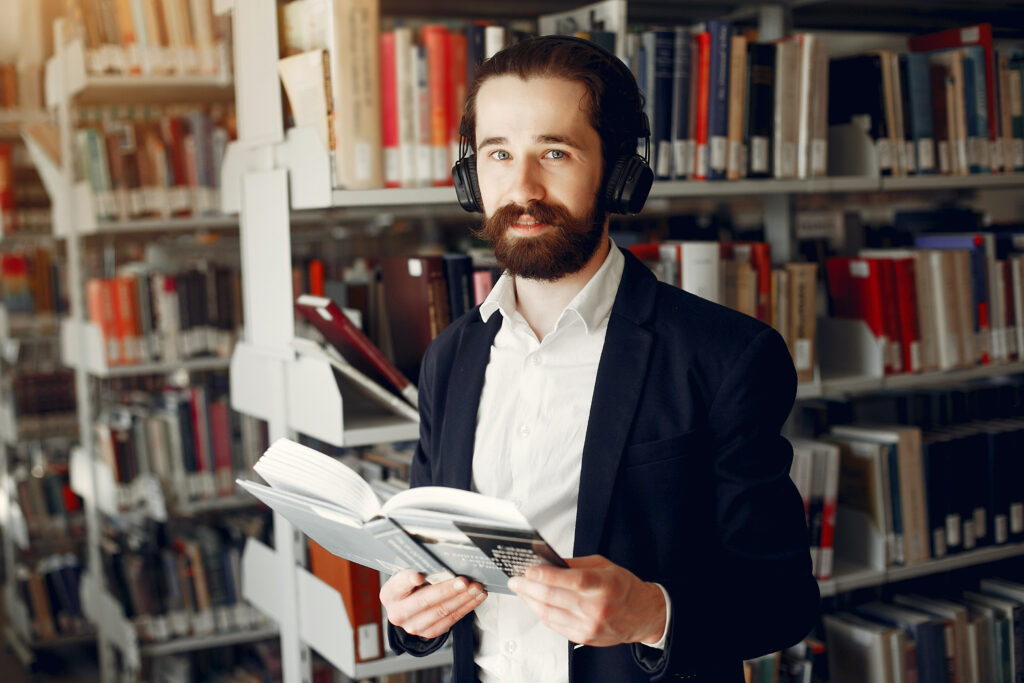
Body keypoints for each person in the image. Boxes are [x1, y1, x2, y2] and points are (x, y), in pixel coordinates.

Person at [380, 35, 820, 682]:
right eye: (498, 153)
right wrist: (409, 613)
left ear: (618, 174)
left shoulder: (725, 357)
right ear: (472, 176)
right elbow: (433, 550)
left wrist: (651, 612)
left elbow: (781, 601)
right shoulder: (450, 357)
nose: (522, 186)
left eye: (554, 152)